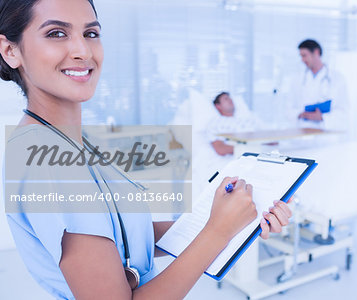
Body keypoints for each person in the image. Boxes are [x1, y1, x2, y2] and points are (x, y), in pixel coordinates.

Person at [0, 1, 292, 299]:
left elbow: (123, 239)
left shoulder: (70, 141)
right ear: (11, 51)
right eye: (56, 33)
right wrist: (217, 231)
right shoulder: (42, 158)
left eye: (90, 34)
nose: (83, 51)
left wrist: (232, 221)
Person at [287, 39, 349, 131]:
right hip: (302, 132)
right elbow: (289, 107)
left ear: (316, 52)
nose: (302, 60)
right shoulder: (297, 79)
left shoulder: (337, 78)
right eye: (301, 56)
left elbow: (343, 110)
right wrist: (301, 114)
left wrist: (321, 117)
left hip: (326, 135)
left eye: (304, 55)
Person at [208, 92, 263, 156]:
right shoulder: (215, 124)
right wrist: (246, 148)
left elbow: (266, 139)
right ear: (218, 106)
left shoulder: (246, 120)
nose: (230, 100)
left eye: (230, 98)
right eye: (226, 99)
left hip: (263, 152)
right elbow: (220, 149)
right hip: (244, 156)